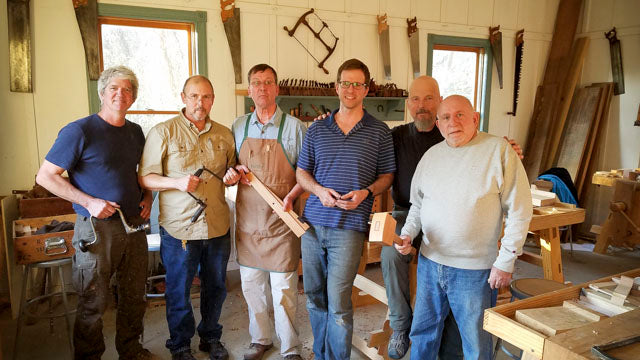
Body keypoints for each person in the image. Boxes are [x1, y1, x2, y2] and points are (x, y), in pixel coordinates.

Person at [382, 76, 523, 359]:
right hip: (431, 263)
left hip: (474, 269)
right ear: (438, 123)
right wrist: (409, 233)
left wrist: (506, 260)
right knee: (423, 333)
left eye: (460, 115)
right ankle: (402, 328)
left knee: (474, 341)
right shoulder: (431, 155)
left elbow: (519, 209)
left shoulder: (498, 151)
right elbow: (418, 205)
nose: (452, 122)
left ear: (475, 117)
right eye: (446, 117)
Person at [36, 66, 157, 360]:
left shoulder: (135, 132)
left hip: (135, 225)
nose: (120, 94)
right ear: (102, 93)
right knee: (93, 299)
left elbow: (145, 173)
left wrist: (150, 197)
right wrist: (89, 202)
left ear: (133, 97)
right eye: (114, 88)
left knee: (133, 296)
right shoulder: (80, 130)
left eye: (127, 89)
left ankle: (131, 350)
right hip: (96, 228)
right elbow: (46, 176)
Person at [296, 58, 396, 360]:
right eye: (345, 83)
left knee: (338, 300)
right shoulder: (316, 130)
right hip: (312, 226)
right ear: (336, 86)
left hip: (349, 228)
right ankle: (321, 352)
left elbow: (387, 176)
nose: (350, 89)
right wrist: (318, 190)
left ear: (366, 89)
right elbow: (302, 173)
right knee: (314, 297)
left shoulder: (379, 132)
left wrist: (365, 192)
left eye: (357, 84)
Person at [138, 75, 236, 360]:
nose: (200, 103)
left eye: (206, 97)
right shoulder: (163, 132)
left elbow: (232, 173)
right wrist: (177, 182)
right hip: (180, 228)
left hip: (217, 225)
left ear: (213, 99)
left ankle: (210, 337)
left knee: (216, 287)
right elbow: (146, 178)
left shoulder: (224, 134)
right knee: (179, 290)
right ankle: (180, 345)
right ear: (183, 97)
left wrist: (232, 176)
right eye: (194, 96)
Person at [223, 64, 306, 360]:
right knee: (252, 287)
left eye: (268, 82)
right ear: (249, 89)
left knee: (283, 291)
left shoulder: (295, 128)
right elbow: (229, 168)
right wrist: (231, 174)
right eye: (256, 83)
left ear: (277, 88)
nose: (262, 88)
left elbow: (306, 174)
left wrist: (292, 196)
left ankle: (290, 347)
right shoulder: (238, 126)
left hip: (282, 222)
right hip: (248, 223)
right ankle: (260, 340)